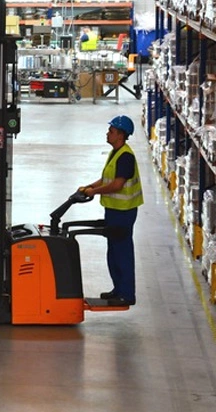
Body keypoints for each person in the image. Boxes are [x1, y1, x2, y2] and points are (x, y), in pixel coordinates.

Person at [79, 115, 143, 306]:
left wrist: (94, 192)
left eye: (111, 131)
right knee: (113, 252)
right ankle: (118, 290)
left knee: (122, 253)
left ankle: (127, 294)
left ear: (121, 135)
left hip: (123, 212)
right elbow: (106, 179)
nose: (108, 134)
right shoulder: (115, 152)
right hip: (113, 210)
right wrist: (87, 187)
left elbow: (116, 185)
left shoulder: (125, 157)